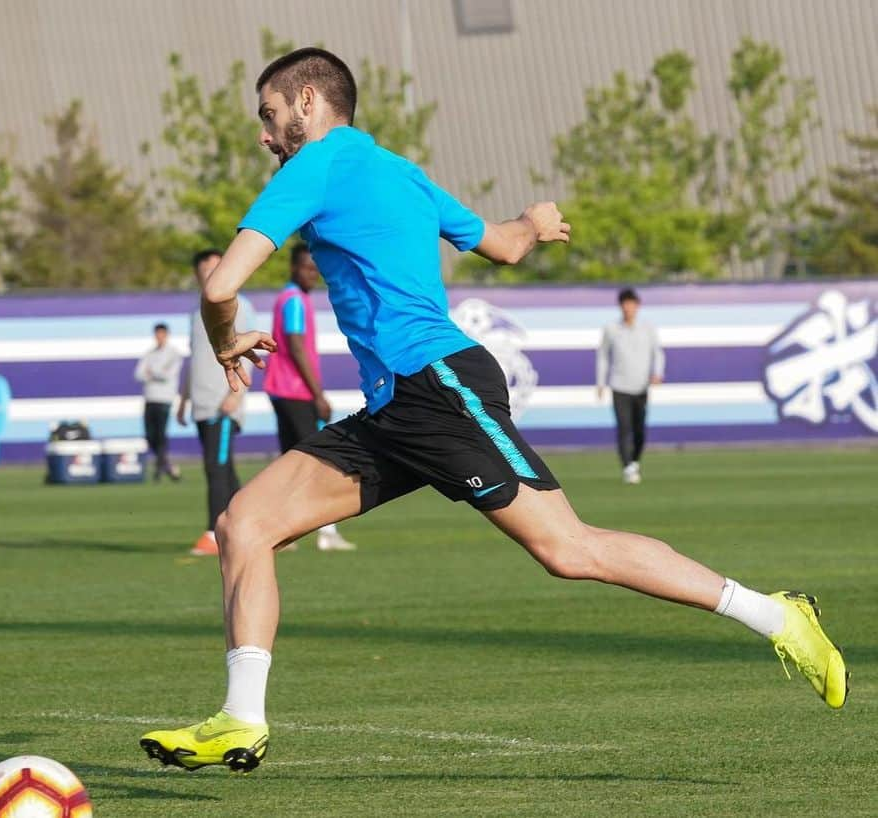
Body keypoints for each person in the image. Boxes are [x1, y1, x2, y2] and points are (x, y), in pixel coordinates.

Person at [140, 48, 848, 773]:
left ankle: (777, 615)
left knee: (568, 550)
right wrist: (533, 223)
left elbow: (221, 286)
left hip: (438, 387)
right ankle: (241, 718)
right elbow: (504, 247)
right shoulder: (401, 172)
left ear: (310, 101)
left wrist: (227, 343)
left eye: (269, 115)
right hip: (395, 406)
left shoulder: (311, 168)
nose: (265, 135)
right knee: (245, 524)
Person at [264, 242, 356, 551]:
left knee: (290, 463)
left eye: (316, 269)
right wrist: (318, 393)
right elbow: (296, 345)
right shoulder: (294, 302)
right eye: (307, 268)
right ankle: (326, 532)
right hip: (296, 391)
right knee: (318, 462)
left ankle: (282, 532)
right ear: (294, 268)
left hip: (281, 390)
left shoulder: (287, 298)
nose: (312, 275)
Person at [178, 249, 258, 556]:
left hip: (223, 402)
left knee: (216, 467)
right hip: (201, 403)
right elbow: (195, 356)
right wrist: (183, 399)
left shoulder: (238, 304)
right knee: (225, 470)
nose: (211, 274)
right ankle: (254, 528)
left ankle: (214, 534)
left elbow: (248, 348)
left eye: (217, 268)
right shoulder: (195, 311)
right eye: (205, 270)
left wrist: (235, 395)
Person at [596, 288, 664, 485]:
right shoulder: (611, 329)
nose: (628, 308)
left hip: (641, 387)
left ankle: (634, 461)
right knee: (624, 428)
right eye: (625, 304)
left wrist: (657, 373)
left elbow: (657, 353)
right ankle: (627, 466)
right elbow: (603, 357)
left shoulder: (647, 328)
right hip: (619, 386)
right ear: (621, 306)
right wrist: (600, 383)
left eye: (631, 304)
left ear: (637, 306)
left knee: (640, 430)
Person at [134, 322, 184, 482]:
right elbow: (139, 374)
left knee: (161, 434)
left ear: (166, 335)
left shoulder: (173, 354)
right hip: (150, 397)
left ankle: (158, 469)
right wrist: (156, 373)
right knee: (150, 436)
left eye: (162, 334)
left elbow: (168, 375)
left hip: (164, 398)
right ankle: (167, 466)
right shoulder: (150, 353)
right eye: (157, 334)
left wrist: (152, 372)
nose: (159, 337)